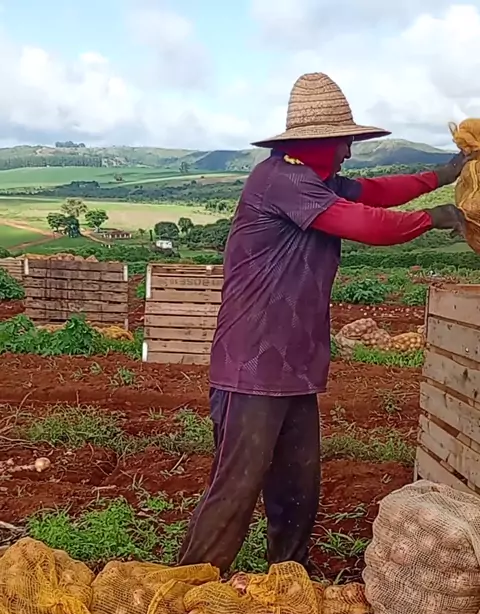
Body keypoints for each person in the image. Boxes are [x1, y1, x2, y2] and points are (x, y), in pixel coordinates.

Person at [178, 72, 467, 574]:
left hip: (295, 363)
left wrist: (441, 175)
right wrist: (433, 217)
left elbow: (375, 192)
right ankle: (188, 586)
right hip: (253, 364)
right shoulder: (279, 180)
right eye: (343, 142)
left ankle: (289, 576)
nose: (349, 152)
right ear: (317, 142)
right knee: (237, 487)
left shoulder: (318, 180)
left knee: (297, 484)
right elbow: (362, 222)